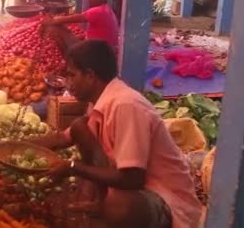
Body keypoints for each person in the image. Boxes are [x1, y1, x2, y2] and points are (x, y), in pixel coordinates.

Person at [34, 40, 203, 228]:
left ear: (90, 76)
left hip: (165, 199)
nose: (69, 83)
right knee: (80, 127)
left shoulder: (126, 105)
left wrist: (73, 167)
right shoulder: (100, 101)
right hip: (136, 187)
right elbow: (63, 138)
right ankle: (100, 201)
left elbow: (132, 179)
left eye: (72, 76)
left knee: (119, 207)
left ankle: (109, 208)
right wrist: (13, 146)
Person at [44, 0, 119, 51]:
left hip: (98, 54)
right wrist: (79, 37)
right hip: (103, 50)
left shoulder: (98, 11)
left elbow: (63, 20)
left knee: (59, 35)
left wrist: (52, 20)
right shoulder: (106, 9)